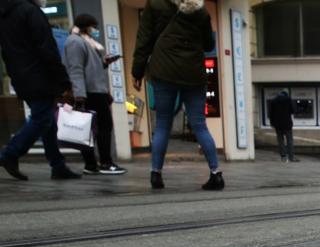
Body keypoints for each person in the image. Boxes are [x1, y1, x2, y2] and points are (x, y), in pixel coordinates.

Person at [131, 0, 223, 190]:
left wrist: (137, 71)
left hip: (164, 71)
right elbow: (208, 44)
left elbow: (144, 39)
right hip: (193, 73)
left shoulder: (155, 4)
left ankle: (156, 174)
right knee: (199, 124)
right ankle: (216, 174)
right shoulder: (201, 10)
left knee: (163, 123)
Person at [0, 0, 81, 181]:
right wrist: (63, 80)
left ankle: (57, 164)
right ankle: (10, 153)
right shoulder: (31, 12)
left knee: (48, 121)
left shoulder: (6, 14)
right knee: (42, 118)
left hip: (21, 76)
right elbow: (47, 48)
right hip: (39, 75)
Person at [65, 14, 126, 175]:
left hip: (95, 90)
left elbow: (90, 67)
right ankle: (103, 162)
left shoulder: (86, 42)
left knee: (93, 129)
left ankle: (92, 164)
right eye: (93, 26)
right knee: (98, 128)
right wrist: (79, 94)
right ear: (86, 26)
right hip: (88, 92)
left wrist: (105, 62)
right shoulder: (75, 42)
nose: (95, 30)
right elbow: (76, 69)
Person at [268, 91, 296, 162]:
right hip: (287, 124)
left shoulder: (274, 101)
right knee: (289, 141)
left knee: (280, 141)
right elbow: (293, 111)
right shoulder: (288, 100)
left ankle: (283, 156)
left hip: (278, 124)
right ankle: (291, 157)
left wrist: (272, 123)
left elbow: (270, 114)